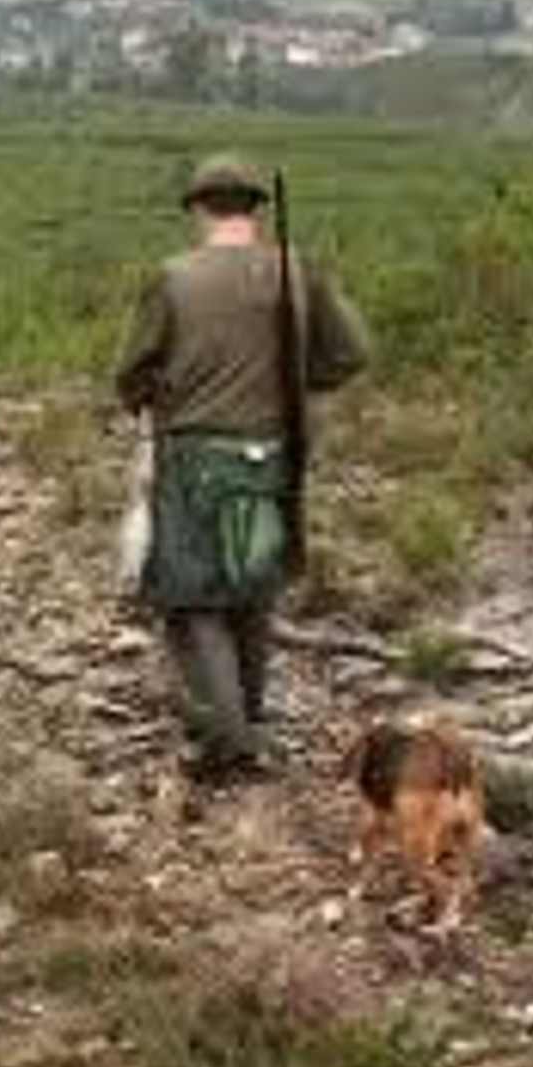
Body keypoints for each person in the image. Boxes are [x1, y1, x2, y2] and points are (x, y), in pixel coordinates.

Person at [114, 153, 369, 787]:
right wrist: (289, 380)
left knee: (192, 601)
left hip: (194, 459)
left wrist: (156, 396)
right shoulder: (297, 270)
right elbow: (348, 357)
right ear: (254, 208)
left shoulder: (172, 278)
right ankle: (246, 722)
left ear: (199, 208)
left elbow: (130, 374)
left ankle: (226, 740)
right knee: (251, 591)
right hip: (275, 457)